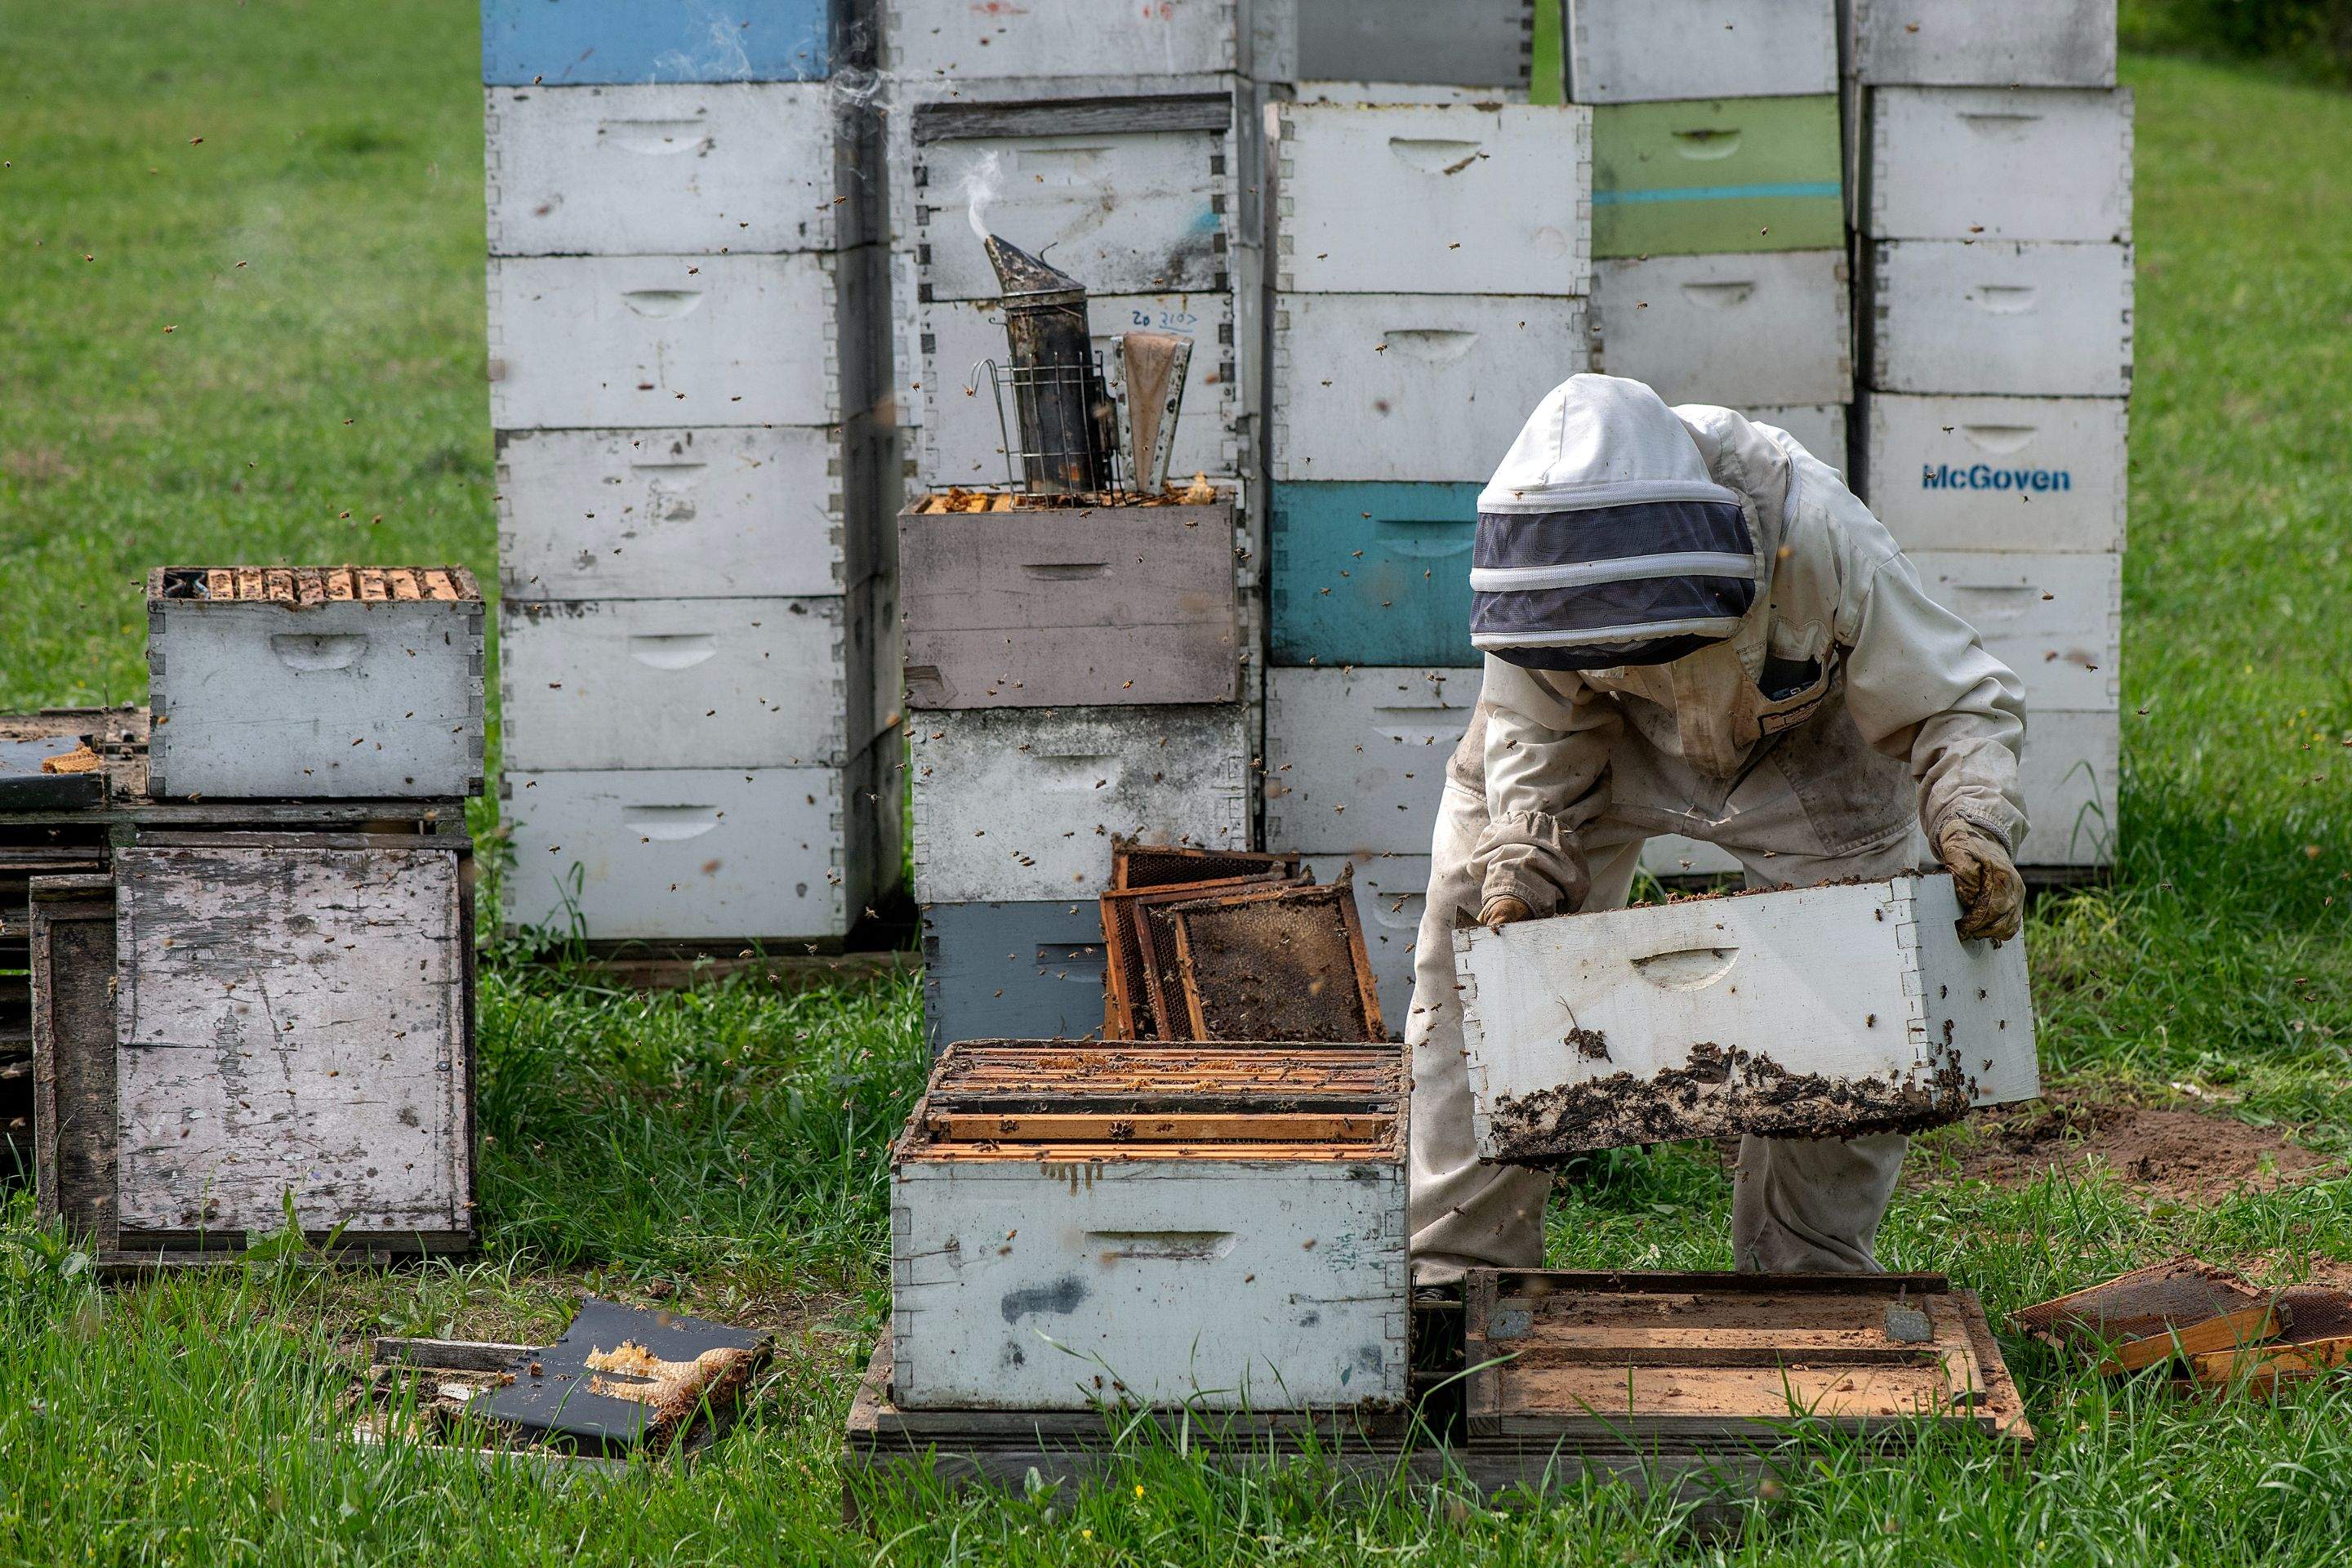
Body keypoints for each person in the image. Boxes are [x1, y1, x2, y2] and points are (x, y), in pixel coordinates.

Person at [1410, 375, 2028, 1284]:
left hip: (1802, 738)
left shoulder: (1814, 531)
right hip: (1593, 737)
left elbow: (1957, 699)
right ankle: (1456, 1276)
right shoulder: (1544, 565)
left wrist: (1970, 821)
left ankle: (1805, 1271)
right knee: (1470, 953)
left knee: (1863, 969)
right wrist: (1521, 862)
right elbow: (1535, 728)